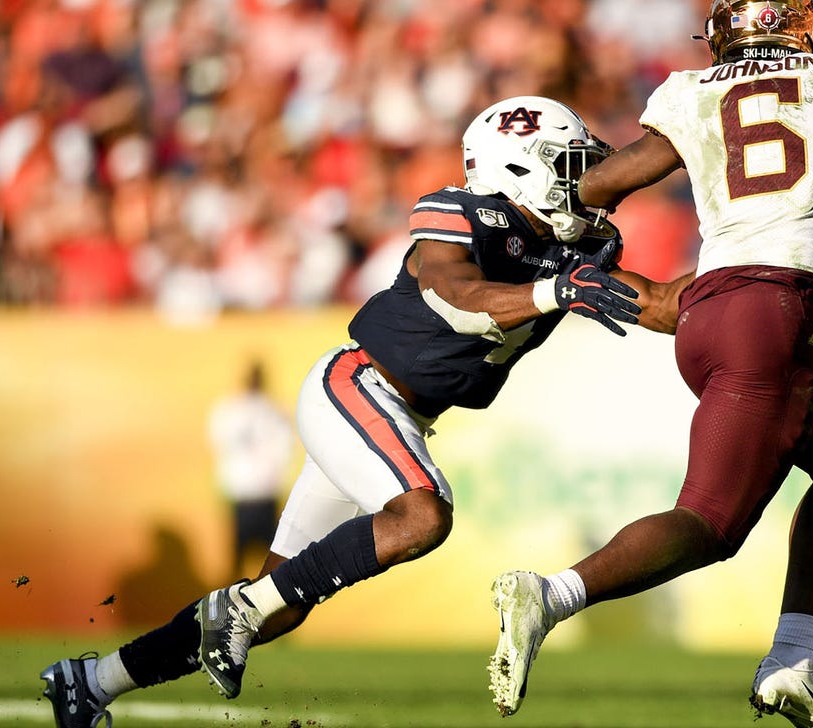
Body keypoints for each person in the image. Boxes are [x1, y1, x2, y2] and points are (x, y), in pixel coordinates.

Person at [39, 95, 692, 728]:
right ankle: (234, 611)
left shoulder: (584, 253)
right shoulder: (466, 215)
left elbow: (662, 304)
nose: (589, 178)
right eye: (570, 164)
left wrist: (762, 267)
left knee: (278, 607)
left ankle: (93, 682)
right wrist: (551, 291)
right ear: (519, 169)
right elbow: (453, 291)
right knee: (419, 516)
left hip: (397, 413)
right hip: (356, 385)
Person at [487, 3, 813, 728]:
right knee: (710, 523)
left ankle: (793, 659)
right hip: (772, 312)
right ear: (802, 24)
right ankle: (552, 596)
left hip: (706, 313)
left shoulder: (689, 91)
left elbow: (602, 187)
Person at [207, 358, 294, 580]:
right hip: (246, 493)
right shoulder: (239, 409)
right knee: (245, 559)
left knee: (271, 560)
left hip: (260, 494)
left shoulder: (238, 409)